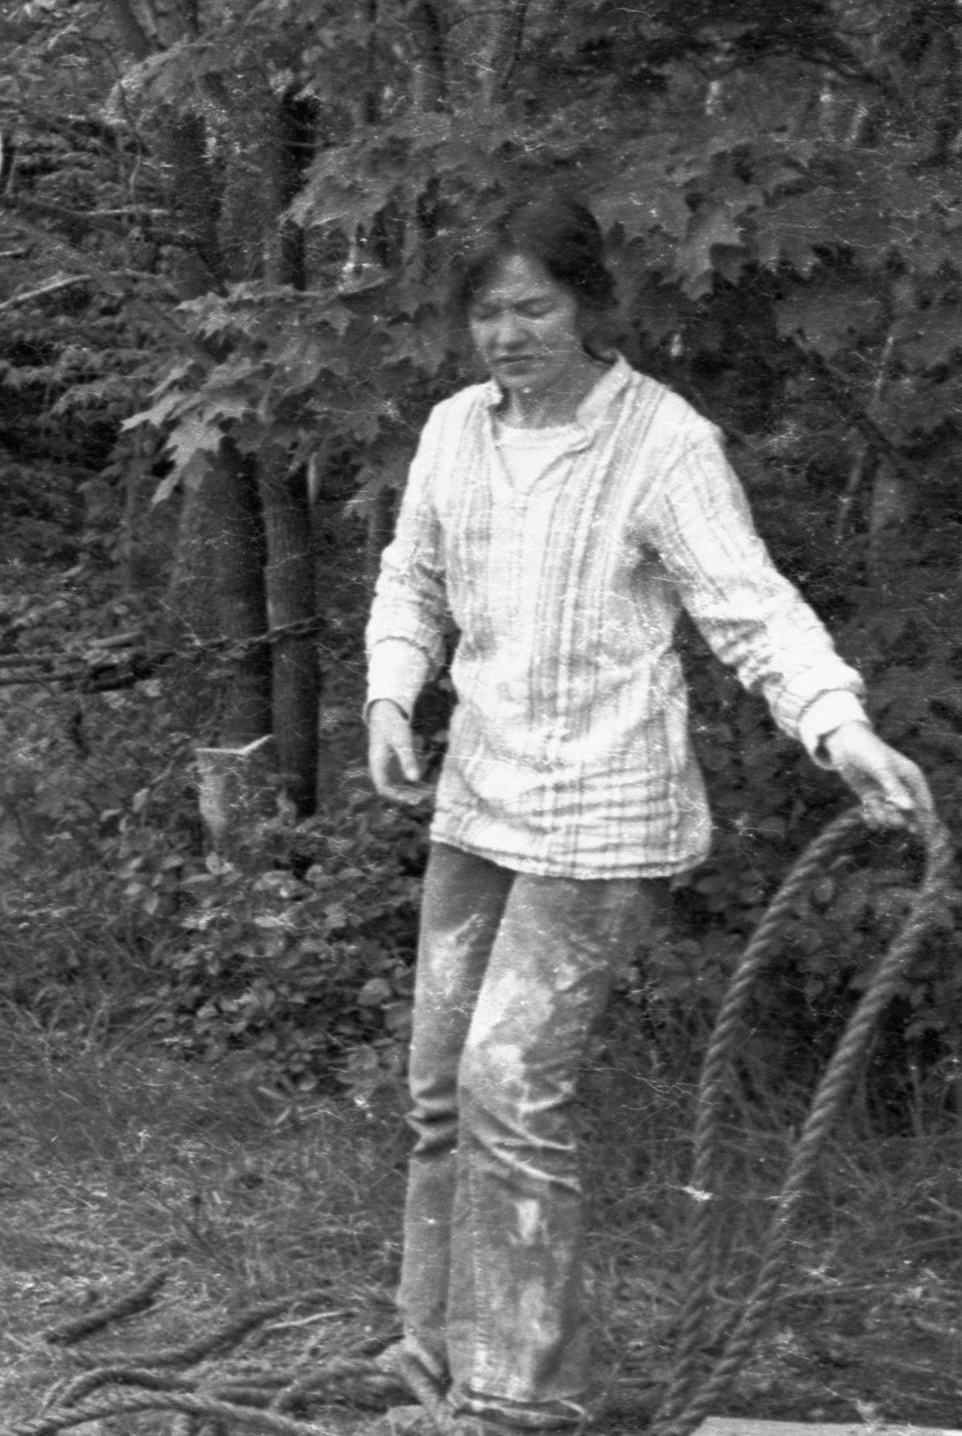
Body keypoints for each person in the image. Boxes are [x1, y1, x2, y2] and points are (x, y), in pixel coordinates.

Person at [361, 197, 933, 1433]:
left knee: (513, 1085)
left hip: (603, 813)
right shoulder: (457, 430)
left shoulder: (662, 442)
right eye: (487, 312)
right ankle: (433, 1356)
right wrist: (392, 691)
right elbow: (411, 576)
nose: (506, 334)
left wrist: (838, 724)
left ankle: (524, 1397)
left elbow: (750, 606)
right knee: (439, 1091)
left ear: (588, 307)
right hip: (479, 798)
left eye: (534, 308)